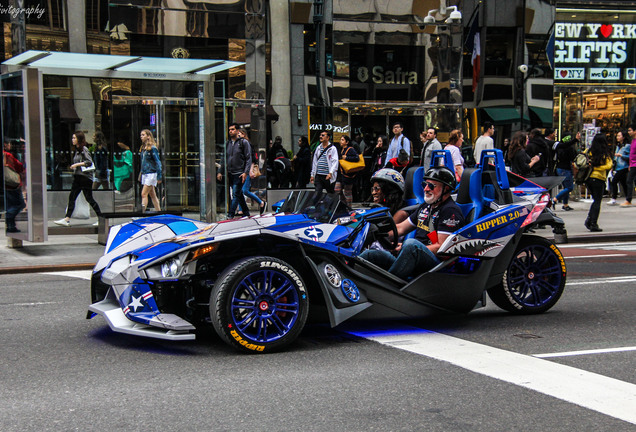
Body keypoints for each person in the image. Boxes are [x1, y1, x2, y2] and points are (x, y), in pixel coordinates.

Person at [359, 167, 465, 280]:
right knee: (371, 255)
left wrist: (406, 248)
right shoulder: (425, 207)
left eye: (432, 186)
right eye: (425, 184)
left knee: (410, 245)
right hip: (413, 255)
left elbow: (442, 248)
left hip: (436, 265)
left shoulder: (450, 211)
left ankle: (388, 285)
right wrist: (374, 233)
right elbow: (400, 228)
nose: (426, 189)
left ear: (446, 188)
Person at [54, 131, 102, 226]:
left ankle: (101, 218)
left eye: (74, 138)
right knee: (72, 197)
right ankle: (67, 219)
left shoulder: (84, 149)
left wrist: (76, 164)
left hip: (85, 178)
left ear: (79, 139)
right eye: (72, 138)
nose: (73, 140)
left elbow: (89, 162)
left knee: (89, 198)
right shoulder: (77, 150)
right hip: (78, 177)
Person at [218, 123, 251, 218]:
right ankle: (246, 212)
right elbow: (223, 157)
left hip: (239, 172)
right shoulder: (228, 143)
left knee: (235, 194)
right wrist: (220, 171)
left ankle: (230, 214)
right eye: (229, 130)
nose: (230, 131)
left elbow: (248, 158)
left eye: (232, 129)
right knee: (239, 193)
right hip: (231, 173)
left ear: (237, 131)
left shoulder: (243, 142)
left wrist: (245, 172)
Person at [584, 134, 613, 232]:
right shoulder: (604, 153)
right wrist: (599, 168)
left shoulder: (588, 151)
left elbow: (581, 160)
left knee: (595, 200)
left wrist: (592, 167)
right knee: (597, 201)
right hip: (599, 178)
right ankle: (593, 223)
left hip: (588, 178)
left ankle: (589, 220)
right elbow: (609, 165)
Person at [238, 128, 266, 215]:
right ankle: (241, 209)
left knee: (245, 190)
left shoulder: (247, 144)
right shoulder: (239, 145)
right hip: (241, 171)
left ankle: (261, 202)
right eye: (238, 134)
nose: (238, 135)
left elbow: (251, 159)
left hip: (246, 171)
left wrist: (250, 171)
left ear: (244, 134)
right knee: (239, 190)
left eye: (240, 134)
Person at [3, 140, 26, 233]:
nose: (10, 145)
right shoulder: (7, 155)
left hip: (5, 186)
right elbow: (19, 166)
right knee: (20, 204)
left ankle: (11, 226)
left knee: (10, 205)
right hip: (11, 185)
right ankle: (9, 217)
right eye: (9, 144)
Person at [138, 129, 162, 213]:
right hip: (145, 173)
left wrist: (159, 176)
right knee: (152, 195)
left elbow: (158, 162)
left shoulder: (152, 148)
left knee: (144, 194)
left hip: (151, 173)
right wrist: (141, 174)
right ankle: (159, 212)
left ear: (148, 136)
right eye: (141, 135)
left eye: (143, 135)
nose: (141, 136)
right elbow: (143, 162)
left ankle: (142, 213)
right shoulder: (143, 148)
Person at [553, 132, 578, 211]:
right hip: (565, 168)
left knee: (566, 187)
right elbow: (574, 157)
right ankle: (555, 199)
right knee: (569, 187)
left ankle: (565, 204)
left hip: (559, 168)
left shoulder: (559, 146)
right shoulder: (569, 148)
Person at [310, 130, 338, 195]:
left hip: (327, 175)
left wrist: (331, 173)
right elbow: (314, 162)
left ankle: (331, 204)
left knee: (330, 193)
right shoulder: (318, 148)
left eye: (323, 135)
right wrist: (312, 175)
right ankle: (317, 205)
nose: (320, 137)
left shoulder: (332, 148)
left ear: (328, 137)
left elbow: (335, 162)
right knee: (317, 192)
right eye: (320, 135)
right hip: (319, 175)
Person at [335, 135, 360, 207]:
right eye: (341, 139)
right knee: (337, 189)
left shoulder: (350, 149)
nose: (341, 141)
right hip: (341, 173)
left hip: (348, 174)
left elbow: (356, 158)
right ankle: (343, 204)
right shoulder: (341, 149)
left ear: (347, 142)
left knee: (347, 191)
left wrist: (347, 157)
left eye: (342, 140)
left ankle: (348, 206)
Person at [609, 129, 630, 206]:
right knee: (624, 183)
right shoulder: (618, 145)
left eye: (619, 135)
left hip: (624, 167)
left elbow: (630, 156)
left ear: (623, 137)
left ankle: (614, 198)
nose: (617, 137)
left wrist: (621, 155)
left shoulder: (628, 146)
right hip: (617, 166)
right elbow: (616, 157)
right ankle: (628, 198)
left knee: (614, 181)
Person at [620, 124, 636, 207]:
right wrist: (630, 164)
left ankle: (628, 199)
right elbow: (632, 154)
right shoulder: (632, 141)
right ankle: (628, 199)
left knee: (629, 180)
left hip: (635, 164)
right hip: (633, 164)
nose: (629, 132)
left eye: (630, 130)